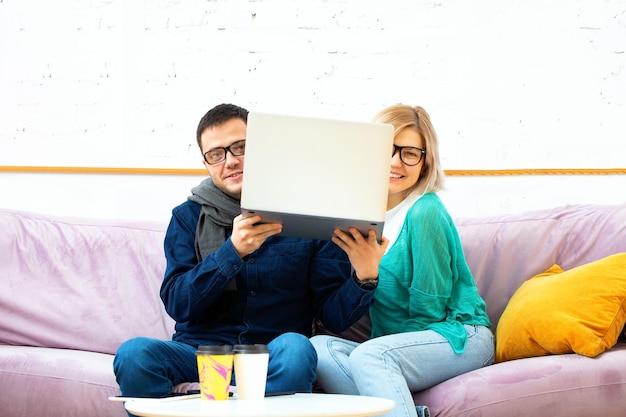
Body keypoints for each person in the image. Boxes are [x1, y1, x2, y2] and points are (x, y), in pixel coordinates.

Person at [113, 103, 382, 400]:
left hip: (273, 354)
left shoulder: (308, 217)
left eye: (240, 147)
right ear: (207, 163)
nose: (229, 161)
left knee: (297, 347)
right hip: (202, 354)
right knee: (135, 353)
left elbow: (333, 318)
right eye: (216, 154)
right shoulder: (187, 217)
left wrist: (364, 276)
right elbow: (178, 303)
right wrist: (232, 253)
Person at [310, 104, 494, 417]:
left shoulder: (425, 211)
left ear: (425, 162)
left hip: (457, 335)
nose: (396, 162)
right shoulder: (361, 217)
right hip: (391, 346)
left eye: (410, 153)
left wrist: (383, 354)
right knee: (319, 349)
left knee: (370, 357)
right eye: (387, 150)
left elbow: (430, 309)